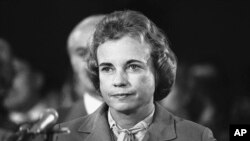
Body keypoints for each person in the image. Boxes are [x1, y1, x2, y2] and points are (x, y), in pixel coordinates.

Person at [54, 10, 216, 141]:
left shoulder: (196, 137)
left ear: (158, 72)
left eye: (132, 67)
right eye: (107, 69)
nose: (118, 81)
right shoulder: (62, 137)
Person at [57, 15, 105, 122]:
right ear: (72, 63)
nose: (91, 61)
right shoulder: (53, 128)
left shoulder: (148, 115)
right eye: (82, 53)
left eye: (98, 50)